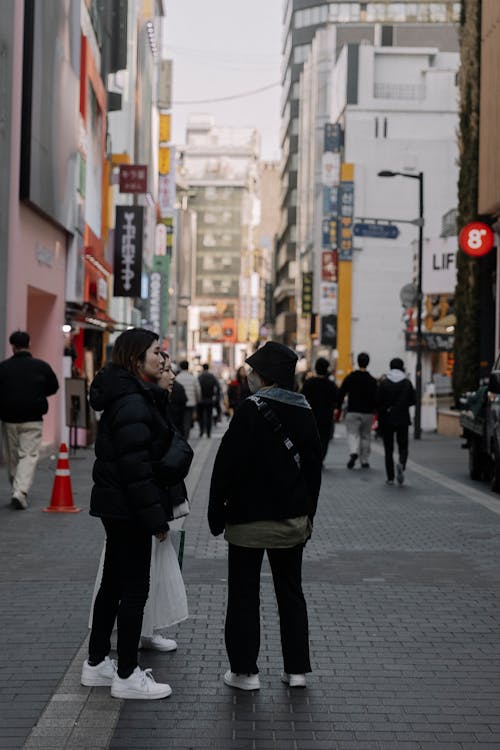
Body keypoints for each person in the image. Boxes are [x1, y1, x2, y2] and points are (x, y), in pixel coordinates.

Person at [208, 341, 323, 691]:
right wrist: (308, 516)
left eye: (253, 372)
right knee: (291, 592)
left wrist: (216, 512)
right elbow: (313, 471)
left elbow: (225, 465)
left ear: (265, 376)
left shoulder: (248, 411)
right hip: (291, 521)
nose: (249, 377)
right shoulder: (305, 411)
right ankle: (297, 670)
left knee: (244, 593)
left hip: (247, 521)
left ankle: (245, 673)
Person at [81, 328, 174, 700]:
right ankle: (126, 674)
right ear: (137, 359)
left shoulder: (126, 396)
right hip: (129, 509)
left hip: (116, 506)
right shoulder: (133, 403)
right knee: (135, 589)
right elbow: (137, 470)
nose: (162, 358)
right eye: (156, 351)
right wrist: (156, 520)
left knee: (114, 585)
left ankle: (96, 663)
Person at [0, 330, 59, 509]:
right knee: (28, 455)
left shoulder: (3, 368)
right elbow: (53, 387)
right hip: (33, 418)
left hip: (9, 418)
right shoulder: (41, 366)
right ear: (29, 344)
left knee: (12, 457)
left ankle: (17, 488)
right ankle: (21, 490)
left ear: (13, 347)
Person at [377, 357, 417, 486]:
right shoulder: (407, 383)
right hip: (403, 418)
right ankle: (401, 463)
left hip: (387, 419)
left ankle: (390, 477)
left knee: (388, 449)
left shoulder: (384, 383)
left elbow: (378, 402)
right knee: (403, 444)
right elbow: (413, 400)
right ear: (401, 367)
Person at [336, 352, 378, 469]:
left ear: (358, 362)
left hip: (353, 411)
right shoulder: (372, 380)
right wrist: (376, 410)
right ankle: (364, 460)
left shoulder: (350, 377)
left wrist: (338, 406)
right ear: (368, 363)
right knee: (365, 436)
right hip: (368, 413)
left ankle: (354, 452)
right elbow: (376, 397)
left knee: (352, 434)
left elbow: (341, 393)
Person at [301, 357, 338, 461]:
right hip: (326, 416)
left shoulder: (309, 383)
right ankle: (321, 457)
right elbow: (336, 399)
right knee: (324, 438)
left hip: (311, 415)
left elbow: (302, 398)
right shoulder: (331, 385)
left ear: (316, 368)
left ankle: (313, 457)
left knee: (311, 437)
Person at [175, 360, 200, 439]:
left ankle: (181, 436)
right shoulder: (193, 378)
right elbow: (198, 390)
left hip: (179, 403)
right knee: (187, 421)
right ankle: (186, 436)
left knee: (180, 420)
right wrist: (198, 400)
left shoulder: (177, 378)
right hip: (190, 402)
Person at [197, 363, 220, 438]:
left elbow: (197, 388)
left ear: (203, 368)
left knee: (201, 416)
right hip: (210, 399)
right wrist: (216, 397)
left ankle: (201, 430)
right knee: (209, 416)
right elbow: (218, 387)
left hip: (201, 399)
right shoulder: (212, 376)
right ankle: (208, 432)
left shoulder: (200, 377)